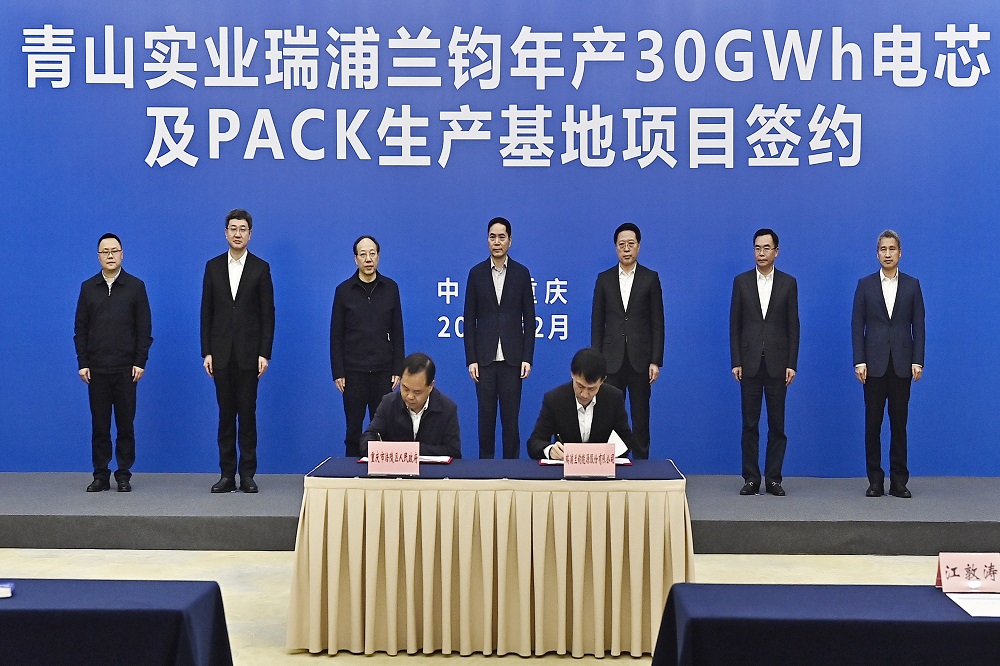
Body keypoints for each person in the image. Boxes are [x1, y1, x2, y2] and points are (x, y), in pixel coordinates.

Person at [201, 208, 275, 494]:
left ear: (250, 234)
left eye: (243, 229)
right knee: (225, 416)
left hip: (249, 354)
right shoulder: (213, 266)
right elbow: (206, 312)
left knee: (247, 415)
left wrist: (264, 352)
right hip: (220, 353)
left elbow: (268, 314)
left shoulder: (260, 268)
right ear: (225, 233)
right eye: (233, 228)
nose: (237, 233)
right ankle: (226, 474)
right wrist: (207, 351)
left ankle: (247, 475)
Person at [74, 233, 153, 493]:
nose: (110, 256)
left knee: (125, 425)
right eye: (105, 251)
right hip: (96, 370)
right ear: (98, 256)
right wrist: (83, 362)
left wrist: (139, 361)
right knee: (100, 426)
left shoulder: (135, 287)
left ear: (122, 254)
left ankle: (123, 475)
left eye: (114, 251)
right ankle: (100, 475)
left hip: (126, 370)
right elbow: (80, 329)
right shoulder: (88, 288)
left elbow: (144, 329)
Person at [852, 230, 924, 498]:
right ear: (877, 254)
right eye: (883, 249)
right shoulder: (865, 285)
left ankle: (899, 481)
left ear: (900, 253)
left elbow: (919, 325)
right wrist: (859, 360)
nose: (887, 254)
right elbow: (857, 324)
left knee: (899, 425)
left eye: (892, 249)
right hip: (873, 366)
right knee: (872, 425)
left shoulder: (913, 285)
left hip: (902, 365)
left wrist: (918, 360)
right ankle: (875, 480)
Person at [730, 228, 800, 496]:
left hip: (778, 364)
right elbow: (734, 325)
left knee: (777, 425)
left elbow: (793, 327)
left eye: (766, 248)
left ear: (776, 252)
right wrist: (736, 360)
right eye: (757, 248)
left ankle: (773, 479)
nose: (761, 253)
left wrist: (791, 363)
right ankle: (751, 478)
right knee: (749, 424)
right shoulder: (741, 282)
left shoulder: (788, 283)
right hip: (748, 363)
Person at [463, 217, 536, 459]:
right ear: (487, 240)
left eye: (501, 237)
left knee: (510, 421)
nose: (497, 242)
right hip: (484, 360)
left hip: (512, 360)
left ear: (510, 241)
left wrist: (527, 358)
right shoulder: (476, 274)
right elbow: (469, 320)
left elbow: (530, 319)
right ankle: (486, 470)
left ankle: (511, 470)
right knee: (485, 421)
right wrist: (471, 359)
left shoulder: (522, 273)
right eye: (492, 237)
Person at [591, 222, 664, 459]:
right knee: (610, 416)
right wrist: (596, 362)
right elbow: (597, 323)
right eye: (621, 244)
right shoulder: (604, 279)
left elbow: (657, 323)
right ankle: (613, 464)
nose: (626, 248)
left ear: (638, 246)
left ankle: (641, 466)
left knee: (641, 417)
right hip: (610, 361)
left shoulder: (650, 278)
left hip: (640, 360)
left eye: (630, 244)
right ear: (615, 248)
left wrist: (655, 360)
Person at [330, 235, 404, 458]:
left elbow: (398, 332)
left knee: (383, 430)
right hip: (353, 372)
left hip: (383, 371)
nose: (368, 259)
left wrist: (397, 369)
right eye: (363, 254)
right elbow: (336, 335)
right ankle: (351, 474)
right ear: (356, 259)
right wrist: (338, 372)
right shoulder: (344, 291)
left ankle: (382, 475)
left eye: (372, 253)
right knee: (353, 430)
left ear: (378, 256)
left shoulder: (391, 288)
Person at [527, 348, 634, 460]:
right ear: (572, 374)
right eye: (580, 386)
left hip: (602, 466)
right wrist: (550, 450)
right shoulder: (554, 399)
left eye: (592, 389)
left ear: (602, 381)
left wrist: (608, 453)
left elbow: (626, 439)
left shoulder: (614, 398)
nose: (585, 394)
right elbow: (535, 441)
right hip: (565, 468)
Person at [360, 353, 461, 458]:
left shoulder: (447, 408)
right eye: (405, 388)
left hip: (430, 468)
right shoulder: (388, 403)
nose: (410, 396)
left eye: (417, 392)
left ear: (430, 386)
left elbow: (453, 451)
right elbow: (367, 439)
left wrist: (411, 450)